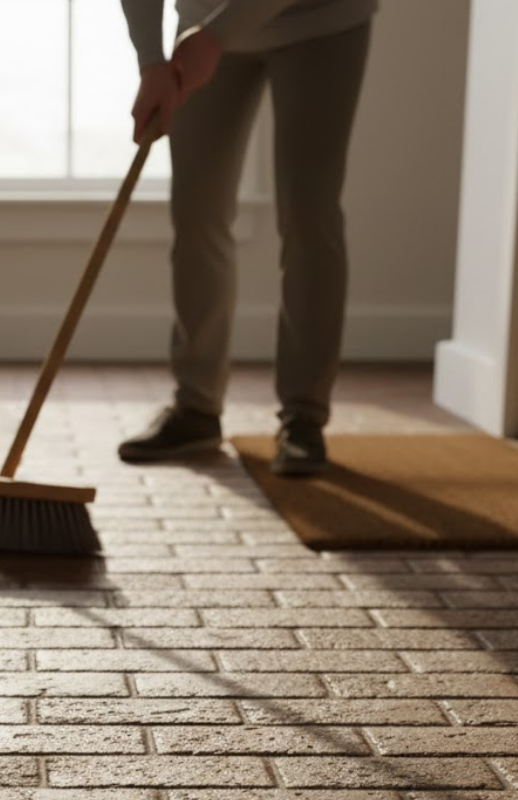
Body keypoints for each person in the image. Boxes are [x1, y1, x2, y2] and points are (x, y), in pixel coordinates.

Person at [117, 0, 377, 476]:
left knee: (308, 214)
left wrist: (217, 33)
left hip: (320, 22)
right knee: (196, 211)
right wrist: (151, 62)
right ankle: (196, 407)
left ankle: (303, 416)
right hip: (201, 25)